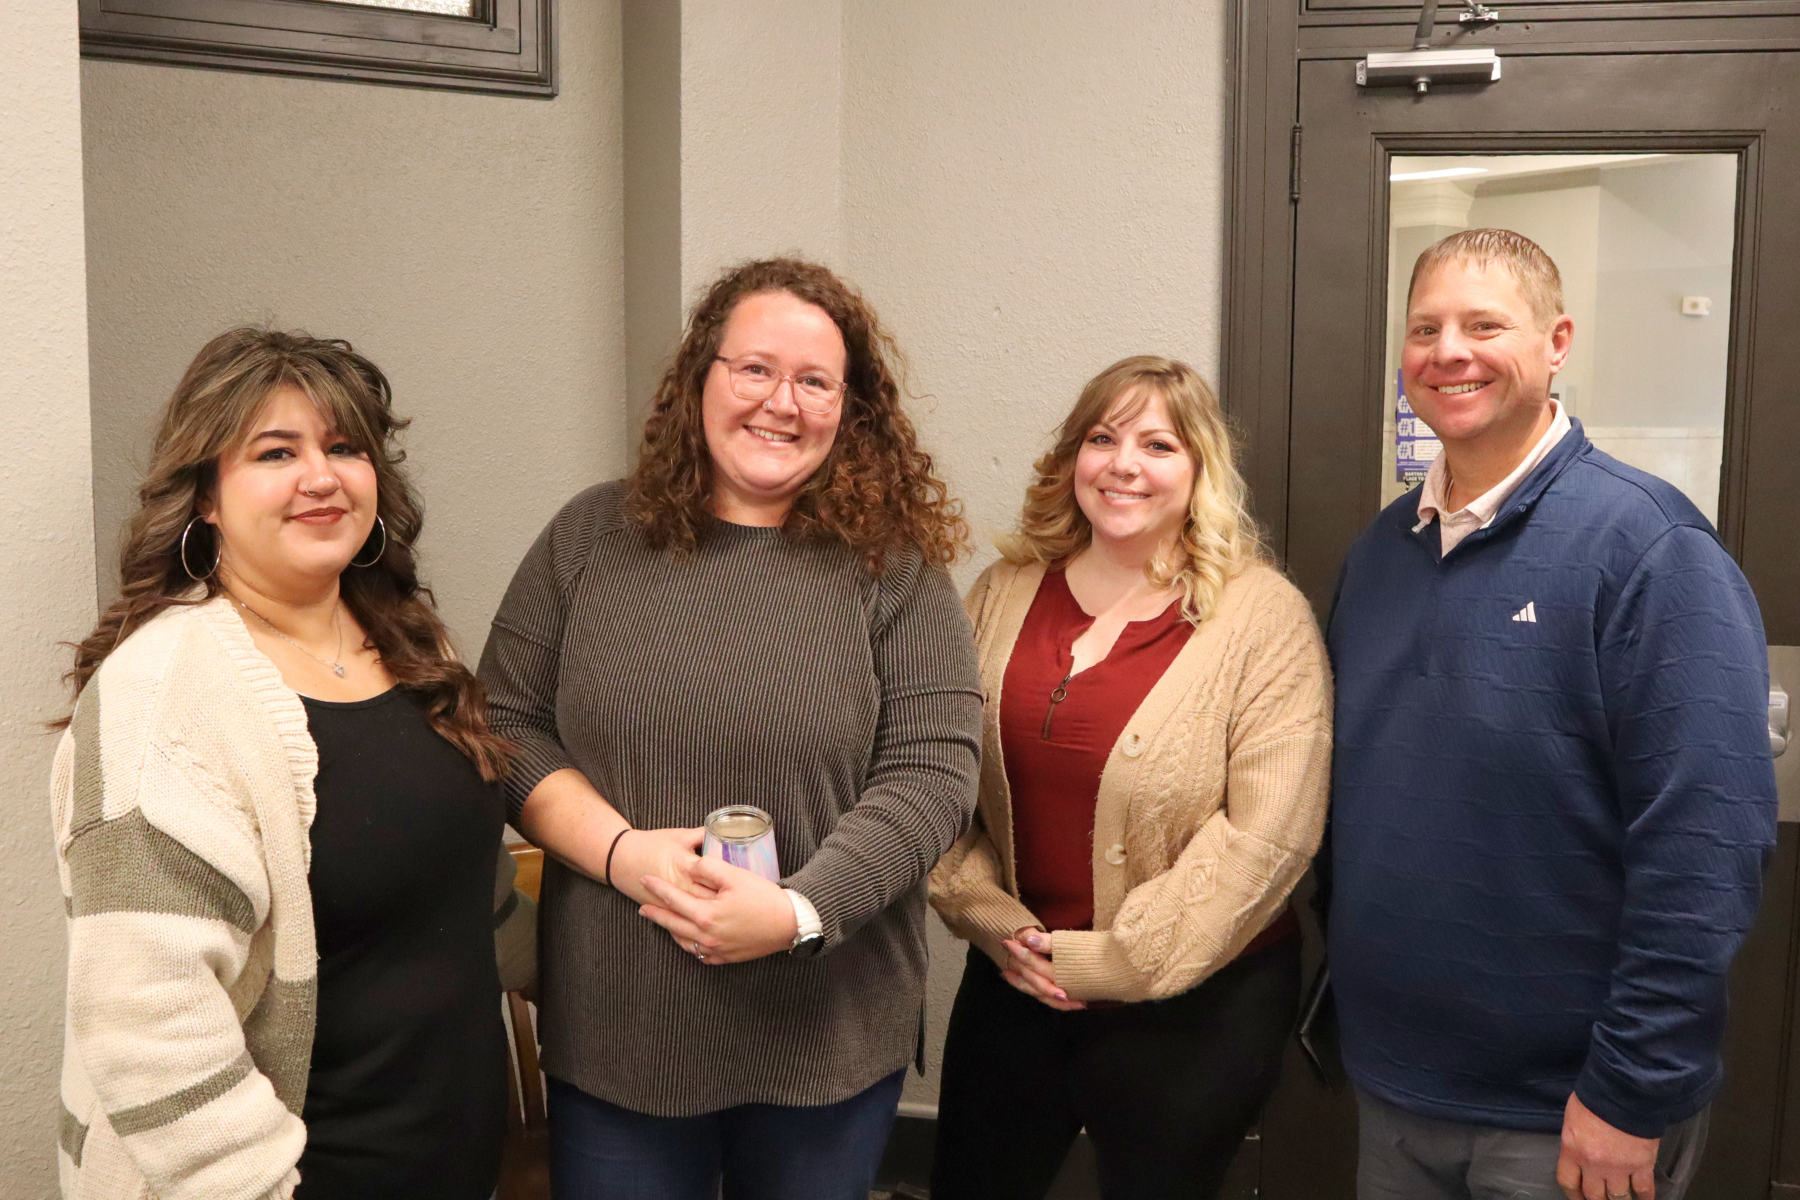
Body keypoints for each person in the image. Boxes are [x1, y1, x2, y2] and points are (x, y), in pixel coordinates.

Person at [477, 257, 983, 1200]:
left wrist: (797, 912)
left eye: (814, 381)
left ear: (851, 408)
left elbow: (932, 775)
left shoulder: (894, 569)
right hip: (624, 1029)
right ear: (700, 378)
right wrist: (622, 851)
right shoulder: (588, 539)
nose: (780, 402)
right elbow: (503, 723)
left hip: (825, 1027)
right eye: (754, 369)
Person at [1325, 229, 1778, 1200]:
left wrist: (1631, 1091)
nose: (1450, 351)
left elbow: (1706, 847)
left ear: (1558, 340)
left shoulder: (1650, 551)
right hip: (1397, 1089)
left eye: (1485, 324)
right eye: (1426, 328)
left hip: (1569, 1112)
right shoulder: (1380, 556)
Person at [52, 328, 533, 1200]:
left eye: (344, 447)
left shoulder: (413, 645)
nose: (322, 475)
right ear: (205, 496)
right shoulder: (163, 695)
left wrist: (613, 975)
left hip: (452, 1165)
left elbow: (459, 891)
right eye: (277, 451)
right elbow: (143, 1024)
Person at [928, 355, 1333, 1200]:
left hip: (1195, 1004)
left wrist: (1111, 963)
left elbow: (1271, 834)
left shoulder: (1263, 618)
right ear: (1072, 455)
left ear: (1200, 472)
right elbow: (932, 779)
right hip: (1015, 976)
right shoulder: (1000, 592)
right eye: (1103, 438)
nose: (1124, 464)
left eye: (1159, 445)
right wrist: (990, 921)